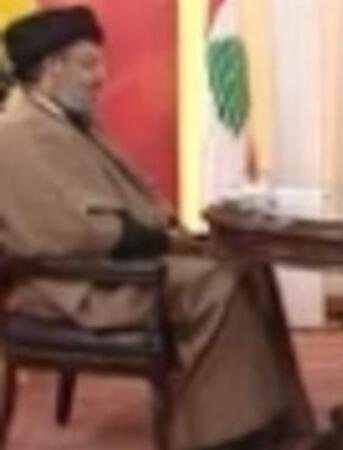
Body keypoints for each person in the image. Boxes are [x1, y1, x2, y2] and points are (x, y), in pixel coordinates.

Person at [0, 7, 309, 450]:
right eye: (88, 64)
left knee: (251, 268)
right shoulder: (16, 134)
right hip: (74, 287)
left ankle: (272, 420)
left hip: (112, 265)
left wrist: (172, 234)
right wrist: (165, 239)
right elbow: (71, 232)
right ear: (51, 68)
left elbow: (130, 200)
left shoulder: (66, 120)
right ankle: (221, 437)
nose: (100, 77)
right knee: (217, 283)